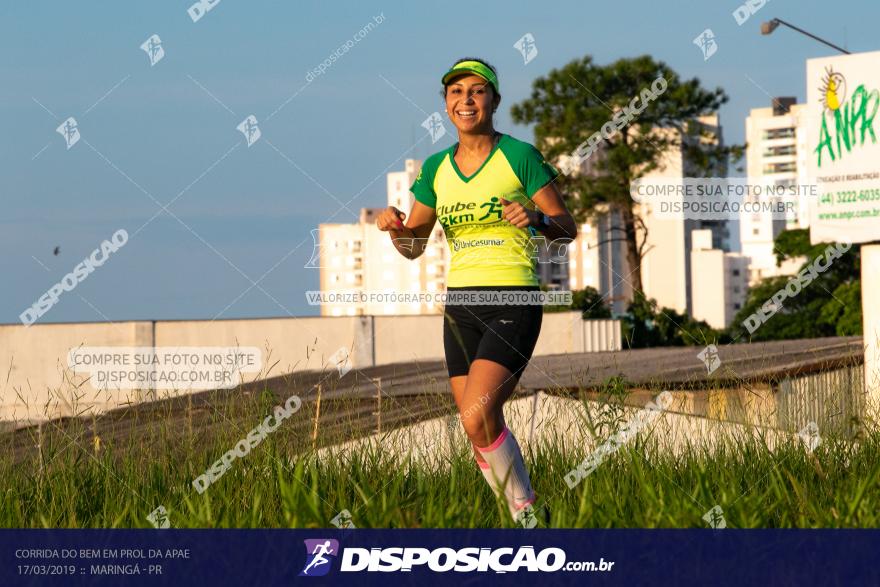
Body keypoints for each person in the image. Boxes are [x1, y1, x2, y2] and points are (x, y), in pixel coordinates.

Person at [376, 57, 576, 526]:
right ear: (446, 105)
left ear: (494, 101)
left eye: (477, 91)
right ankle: (523, 522)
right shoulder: (436, 169)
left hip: (514, 299)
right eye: (455, 92)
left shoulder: (519, 156)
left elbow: (567, 229)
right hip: (460, 308)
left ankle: (529, 513)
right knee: (478, 428)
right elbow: (413, 247)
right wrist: (393, 228)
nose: (466, 99)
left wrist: (539, 219)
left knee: (476, 417)